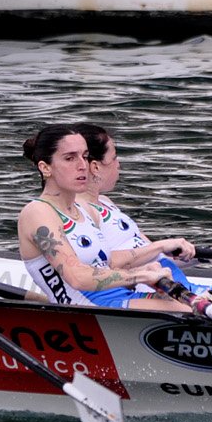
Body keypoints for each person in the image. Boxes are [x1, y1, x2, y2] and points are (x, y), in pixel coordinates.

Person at [71, 122, 212, 318]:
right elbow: (103, 264)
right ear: (96, 167)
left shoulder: (107, 203)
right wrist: (161, 245)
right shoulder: (79, 211)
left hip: (184, 286)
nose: (119, 165)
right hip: (159, 292)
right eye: (115, 157)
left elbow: (158, 255)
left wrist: (208, 255)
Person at [17, 125, 185, 309]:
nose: (82, 166)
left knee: (199, 304)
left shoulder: (83, 210)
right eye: (70, 158)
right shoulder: (38, 212)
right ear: (45, 168)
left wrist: (142, 269)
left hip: (115, 298)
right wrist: (141, 276)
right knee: (184, 311)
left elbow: (106, 264)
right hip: (84, 311)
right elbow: (77, 277)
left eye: (85, 156)